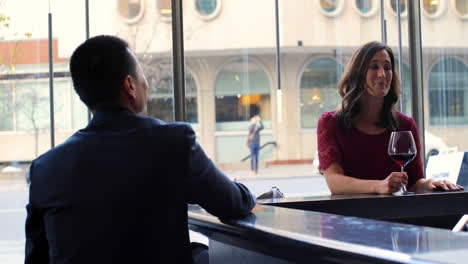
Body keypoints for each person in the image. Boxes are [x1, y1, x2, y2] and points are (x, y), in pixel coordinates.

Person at [25, 35, 256, 264]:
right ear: (129, 86)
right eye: (142, 75)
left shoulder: (44, 169)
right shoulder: (173, 143)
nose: (146, 83)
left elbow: (36, 257)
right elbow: (233, 203)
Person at [317, 41, 464, 195]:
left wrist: (430, 183)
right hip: (346, 216)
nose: (382, 74)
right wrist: (379, 186)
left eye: (387, 67)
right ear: (358, 74)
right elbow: (334, 182)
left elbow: (414, 182)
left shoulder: (405, 125)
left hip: (393, 215)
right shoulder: (330, 122)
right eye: (374, 67)